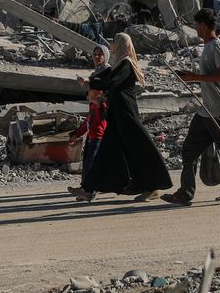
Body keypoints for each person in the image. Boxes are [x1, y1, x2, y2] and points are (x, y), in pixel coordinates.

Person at [161, 9, 220, 207]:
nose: (195, 28)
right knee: (188, 151)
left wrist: (195, 78)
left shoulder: (216, 45)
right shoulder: (207, 47)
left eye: (196, 25)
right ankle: (185, 193)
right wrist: (190, 76)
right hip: (206, 111)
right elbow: (210, 77)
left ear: (203, 25)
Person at [68, 34, 172, 202]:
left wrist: (92, 81)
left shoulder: (126, 64)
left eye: (114, 41)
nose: (111, 44)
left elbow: (111, 83)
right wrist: (92, 82)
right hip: (117, 115)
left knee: (139, 149)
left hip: (126, 114)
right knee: (109, 153)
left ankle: (154, 186)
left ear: (121, 44)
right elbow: (107, 82)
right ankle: (89, 189)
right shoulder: (119, 64)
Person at [69, 45, 110, 198]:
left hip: (99, 134)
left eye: (100, 54)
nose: (97, 57)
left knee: (91, 164)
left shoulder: (107, 74)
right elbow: (88, 120)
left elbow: (103, 92)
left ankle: (88, 191)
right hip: (93, 134)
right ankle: (87, 190)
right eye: (95, 54)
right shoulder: (94, 103)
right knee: (89, 162)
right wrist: (76, 134)